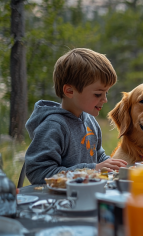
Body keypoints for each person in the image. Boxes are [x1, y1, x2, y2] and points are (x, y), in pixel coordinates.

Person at [25, 48, 128, 184]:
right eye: (98, 94)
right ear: (69, 91)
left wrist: (113, 165)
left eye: (106, 93)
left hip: (85, 194)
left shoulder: (90, 120)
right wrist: (92, 170)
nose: (105, 99)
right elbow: (39, 172)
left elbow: (97, 156)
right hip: (59, 201)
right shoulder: (54, 126)